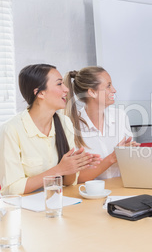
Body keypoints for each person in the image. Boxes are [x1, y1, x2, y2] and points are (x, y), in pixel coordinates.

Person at [0, 64, 101, 195]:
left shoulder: (65, 123)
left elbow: (69, 182)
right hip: (26, 211)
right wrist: (59, 170)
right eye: (59, 84)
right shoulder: (10, 130)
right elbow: (12, 189)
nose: (66, 90)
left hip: (59, 202)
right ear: (40, 93)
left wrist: (75, 165)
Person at [64, 66, 139, 183]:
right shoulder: (71, 125)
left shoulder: (120, 116)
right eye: (108, 86)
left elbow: (130, 165)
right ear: (92, 92)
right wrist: (112, 158)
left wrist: (132, 154)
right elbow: (75, 179)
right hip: (90, 194)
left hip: (121, 190)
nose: (114, 90)